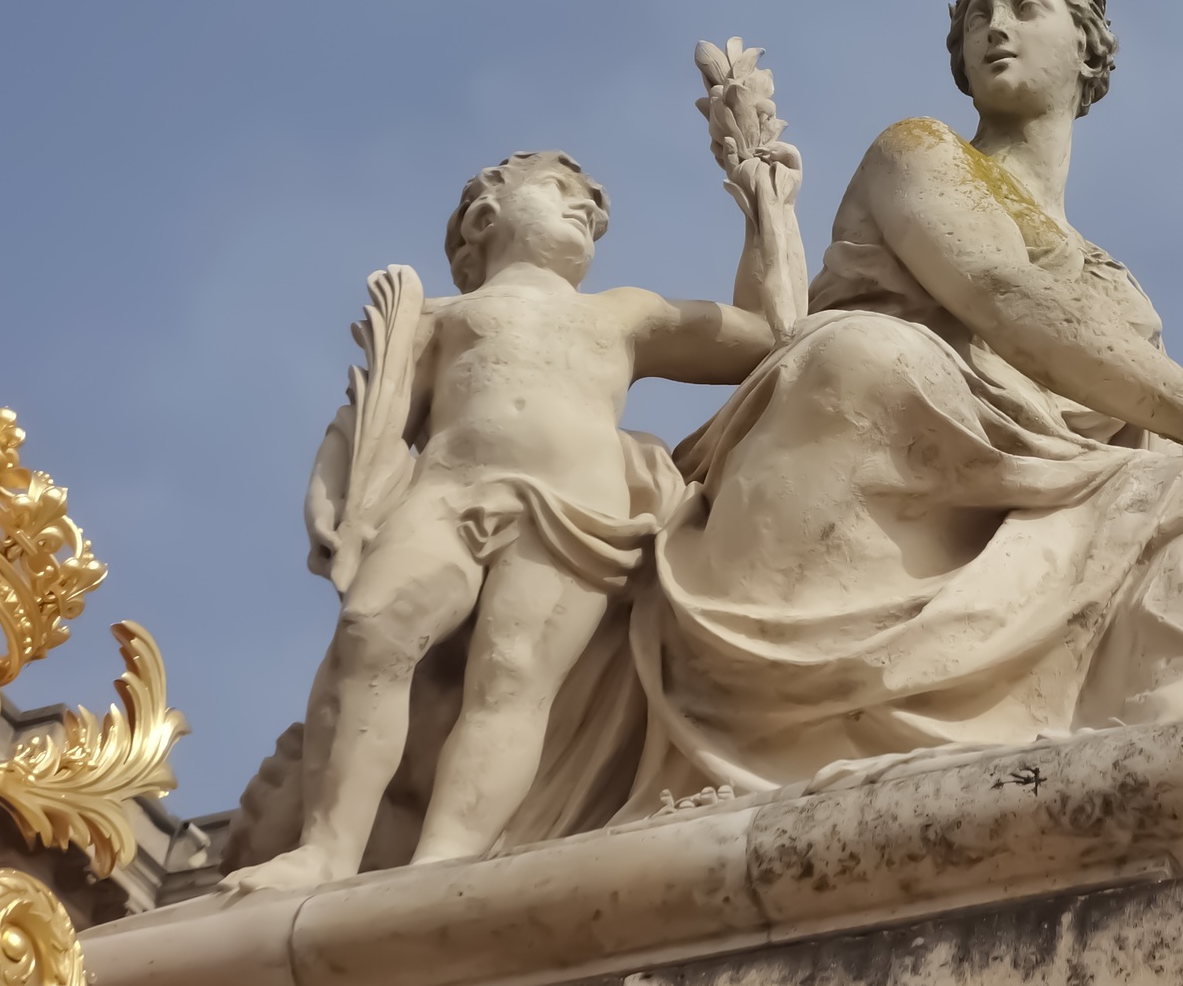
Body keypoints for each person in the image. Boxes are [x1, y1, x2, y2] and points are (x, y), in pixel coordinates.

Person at [620, 0, 1183, 851]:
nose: (995, 26)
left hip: (1037, 515)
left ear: (1087, 53)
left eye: (1026, 7)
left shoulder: (1121, 298)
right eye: (978, 14)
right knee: (872, 356)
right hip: (881, 472)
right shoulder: (918, 152)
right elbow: (1003, 296)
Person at [225, 143, 803, 892]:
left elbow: (768, 333)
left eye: (593, 210)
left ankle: (446, 860)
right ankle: (326, 851)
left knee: (513, 679)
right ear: (485, 214)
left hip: (574, 509)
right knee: (373, 631)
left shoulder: (622, 314)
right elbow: (369, 418)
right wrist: (332, 496)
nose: (585, 210)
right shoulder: (439, 316)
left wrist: (766, 203)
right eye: (562, 190)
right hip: (447, 493)